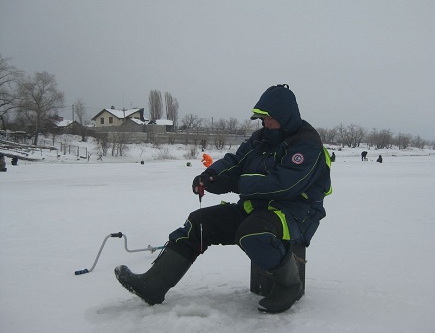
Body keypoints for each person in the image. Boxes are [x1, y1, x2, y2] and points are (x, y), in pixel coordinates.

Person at [115, 84, 332, 313]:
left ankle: (290, 285)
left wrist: (237, 183)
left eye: (270, 118)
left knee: (253, 232)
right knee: (199, 222)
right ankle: (153, 285)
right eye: (262, 118)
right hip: (256, 209)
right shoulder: (261, 139)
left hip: (296, 214)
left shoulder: (307, 145)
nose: (265, 123)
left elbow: (285, 184)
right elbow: (235, 162)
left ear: (285, 116)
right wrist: (210, 176)